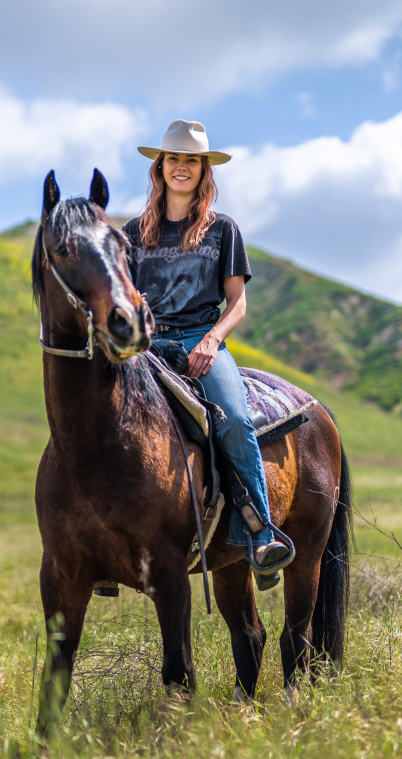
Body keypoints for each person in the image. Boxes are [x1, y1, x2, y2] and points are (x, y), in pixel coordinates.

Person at [123, 120, 293, 585]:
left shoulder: (223, 230)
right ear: (160, 167)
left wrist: (212, 341)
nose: (181, 167)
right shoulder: (132, 233)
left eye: (191, 161)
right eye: (173, 159)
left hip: (203, 339)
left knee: (234, 420)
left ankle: (260, 534)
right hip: (148, 346)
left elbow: (237, 302)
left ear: (203, 170)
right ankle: (101, 542)